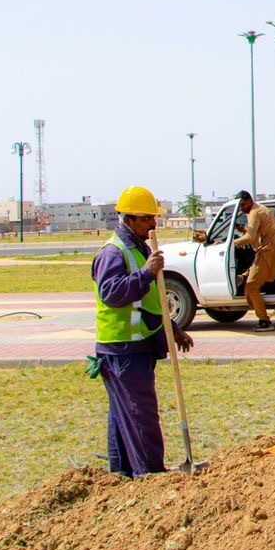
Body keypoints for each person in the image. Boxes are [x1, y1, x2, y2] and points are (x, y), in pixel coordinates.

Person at [90, 185, 193, 478]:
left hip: (137, 346)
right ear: (130, 219)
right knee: (139, 414)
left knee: (123, 414)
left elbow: (150, 301)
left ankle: (122, 473)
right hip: (122, 348)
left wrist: (173, 329)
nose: (153, 224)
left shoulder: (140, 248)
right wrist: (146, 273)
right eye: (147, 218)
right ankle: (150, 475)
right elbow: (111, 293)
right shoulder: (113, 252)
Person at [233, 190, 275, 333]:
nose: (241, 209)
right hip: (269, 251)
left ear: (249, 201)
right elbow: (254, 235)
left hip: (267, 253)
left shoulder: (254, 212)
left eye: (243, 205)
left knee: (251, 288)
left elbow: (250, 238)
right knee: (251, 282)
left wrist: (231, 243)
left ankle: (264, 321)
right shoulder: (261, 209)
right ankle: (244, 275)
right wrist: (243, 230)